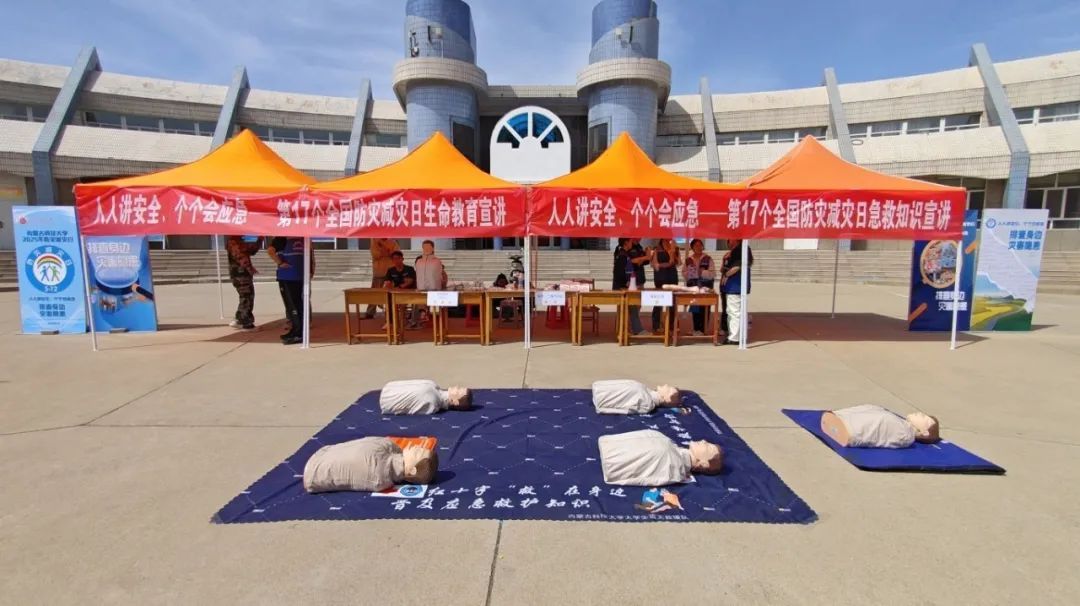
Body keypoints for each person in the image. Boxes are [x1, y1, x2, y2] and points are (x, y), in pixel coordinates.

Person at [303, 437, 438, 493]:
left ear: (412, 470)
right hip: (314, 469)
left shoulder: (380, 476)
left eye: (418, 452)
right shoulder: (382, 480)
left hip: (312, 472)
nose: (416, 447)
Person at [598, 429, 723, 486]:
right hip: (608, 447)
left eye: (708, 447)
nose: (704, 441)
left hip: (611, 461)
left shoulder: (674, 468)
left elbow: (644, 479)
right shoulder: (669, 445)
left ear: (704, 464)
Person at [820, 405, 940, 448]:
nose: (920, 413)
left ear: (924, 433)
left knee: (884, 419)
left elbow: (881, 437)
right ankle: (839, 416)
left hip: (851, 433)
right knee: (875, 408)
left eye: (924, 418)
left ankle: (847, 427)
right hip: (840, 423)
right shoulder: (904, 425)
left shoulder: (906, 435)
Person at [267, 237, 312, 346]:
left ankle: (298, 332)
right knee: (297, 305)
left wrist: (280, 263)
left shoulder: (283, 238)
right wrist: (280, 262)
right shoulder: (301, 238)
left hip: (290, 277)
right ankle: (297, 330)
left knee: (293, 306)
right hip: (297, 276)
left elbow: (270, 251)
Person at [612, 238, 650, 336]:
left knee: (632, 307)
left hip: (624, 287)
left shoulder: (624, 254)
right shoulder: (622, 255)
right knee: (632, 307)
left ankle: (626, 330)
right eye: (630, 242)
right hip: (621, 288)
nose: (631, 244)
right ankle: (635, 330)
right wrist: (627, 283)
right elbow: (619, 273)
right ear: (626, 243)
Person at [720, 239, 753, 345]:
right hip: (734, 285)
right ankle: (735, 335)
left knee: (734, 311)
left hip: (736, 285)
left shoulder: (740, 249)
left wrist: (726, 274)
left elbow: (737, 266)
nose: (728, 240)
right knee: (732, 311)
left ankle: (735, 337)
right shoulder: (738, 250)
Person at [225, 236, 262, 330]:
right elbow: (241, 256)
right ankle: (246, 323)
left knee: (244, 296)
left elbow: (252, 250)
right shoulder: (236, 241)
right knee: (247, 296)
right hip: (241, 274)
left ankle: (239, 319)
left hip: (237, 273)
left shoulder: (237, 240)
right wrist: (249, 268)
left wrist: (259, 239)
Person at [379, 379, 472, 415]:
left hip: (386, 400)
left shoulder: (432, 404)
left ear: (455, 402)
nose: (456, 387)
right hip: (388, 391)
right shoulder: (433, 386)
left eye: (458, 390)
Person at [411, 240, 447, 328]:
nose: (426, 249)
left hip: (435, 289)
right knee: (417, 301)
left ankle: (436, 322)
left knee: (434, 304)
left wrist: (441, 286)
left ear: (433, 248)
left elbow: (440, 276)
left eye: (428, 247)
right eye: (424, 247)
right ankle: (417, 319)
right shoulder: (419, 262)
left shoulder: (437, 261)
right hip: (421, 289)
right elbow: (418, 275)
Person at [683, 239, 716, 336]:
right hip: (693, 287)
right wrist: (689, 273)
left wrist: (702, 272)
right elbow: (683, 272)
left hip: (705, 287)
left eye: (700, 245)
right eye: (696, 245)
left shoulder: (708, 258)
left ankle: (703, 329)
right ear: (692, 247)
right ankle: (696, 329)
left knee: (705, 308)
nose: (699, 247)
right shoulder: (688, 259)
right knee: (695, 307)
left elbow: (713, 273)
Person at [592, 380, 681, 415]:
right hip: (601, 389)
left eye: (668, 388)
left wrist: (603, 409)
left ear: (666, 398)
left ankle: (601, 393)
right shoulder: (647, 391)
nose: (666, 385)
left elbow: (625, 411)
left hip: (603, 397)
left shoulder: (647, 404)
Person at [650, 239, 680, 334]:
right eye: (665, 240)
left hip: (672, 277)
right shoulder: (656, 250)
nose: (668, 241)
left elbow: (677, 262)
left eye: (669, 239)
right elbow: (655, 265)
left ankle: (671, 325)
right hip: (660, 278)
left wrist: (672, 252)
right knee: (658, 302)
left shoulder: (675, 249)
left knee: (672, 302)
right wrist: (667, 264)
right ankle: (656, 325)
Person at [382, 250, 417, 330]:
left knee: (402, 303)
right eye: (394, 259)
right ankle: (390, 322)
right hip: (396, 293)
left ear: (402, 259)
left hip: (409, 293)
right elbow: (387, 282)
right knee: (388, 300)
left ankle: (406, 320)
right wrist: (387, 284)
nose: (396, 260)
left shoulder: (409, 269)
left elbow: (410, 281)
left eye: (398, 258)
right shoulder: (390, 270)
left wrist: (400, 287)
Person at [366, 238, 401, 319]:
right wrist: (388, 251)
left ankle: (391, 312)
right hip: (379, 271)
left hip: (391, 271)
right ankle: (370, 311)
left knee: (391, 293)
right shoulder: (374, 240)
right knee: (375, 292)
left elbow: (396, 254)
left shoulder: (393, 241)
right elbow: (375, 254)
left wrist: (383, 245)